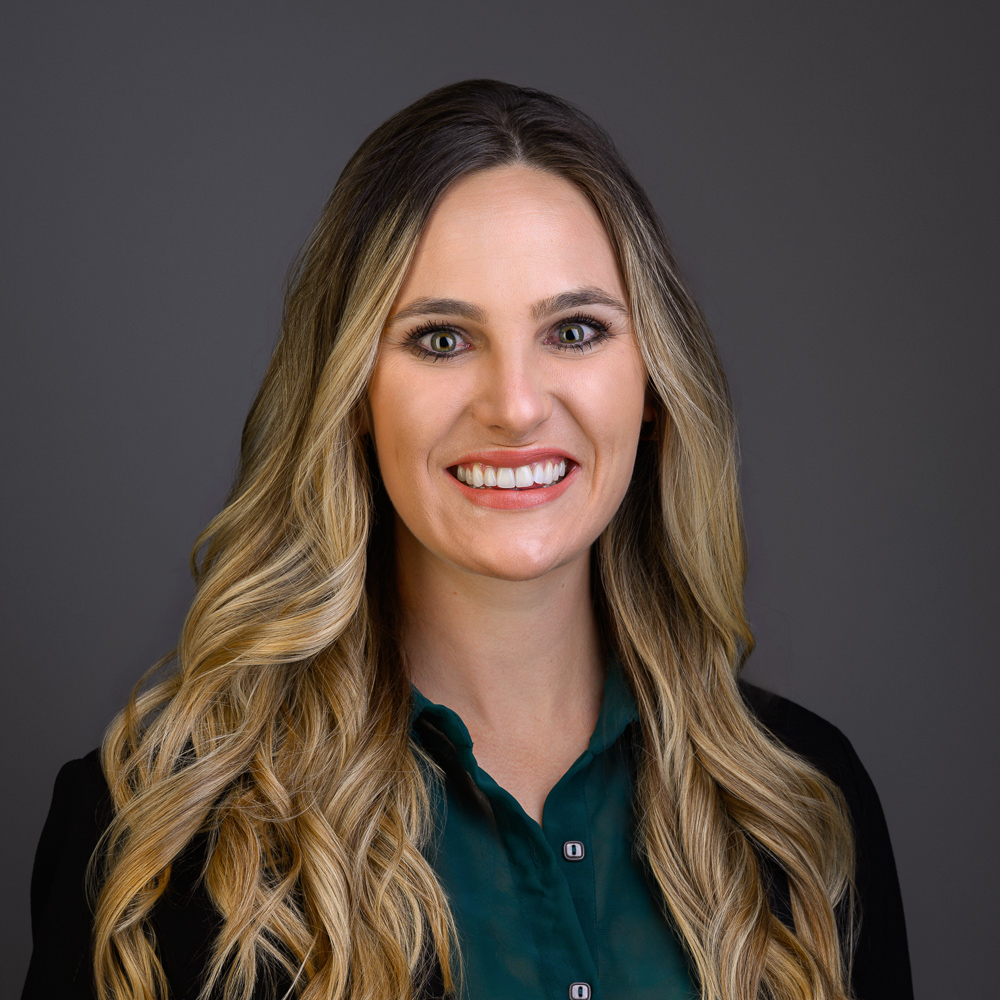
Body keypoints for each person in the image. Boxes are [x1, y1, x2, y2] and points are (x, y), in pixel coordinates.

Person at [22, 79, 912, 1000]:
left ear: (651, 386)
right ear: (354, 395)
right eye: (442, 340)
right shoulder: (156, 829)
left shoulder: (803, 805)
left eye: (575, 330)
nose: (517, 406)